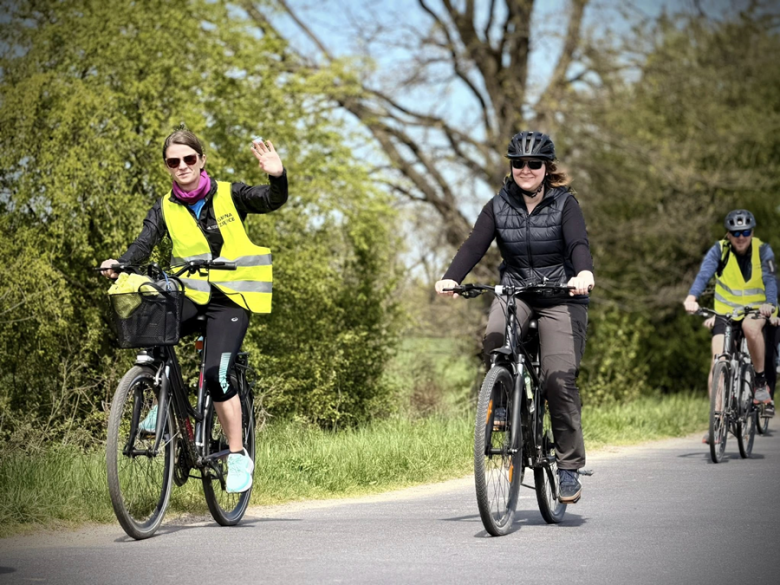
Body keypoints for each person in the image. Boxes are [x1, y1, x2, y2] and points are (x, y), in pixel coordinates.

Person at [101, 127, 287, 492]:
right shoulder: (165, 207)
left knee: (217, 375)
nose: (182, 166)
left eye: (189, 158)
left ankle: (237, 456)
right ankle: (161, 397)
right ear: (167, 166)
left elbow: (270, 200)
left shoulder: (231, 194)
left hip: (231, 297)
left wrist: (277, 176)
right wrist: (121, 263)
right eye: (174, 161)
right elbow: (144, 243)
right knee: (152, 328)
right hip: (191, 294)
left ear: (202, 160)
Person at [435, 131, 594, 504]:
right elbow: (474, 244)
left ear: (546, 168)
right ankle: (505, 404)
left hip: (561, 295)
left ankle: (568, 467)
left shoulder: (565, 203)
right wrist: (452, 277)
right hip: (516, 292)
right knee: (495, 337)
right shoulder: (498, 205)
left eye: (534, 163)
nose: (526, 169)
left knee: (558, 378)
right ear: (511, 167)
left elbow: (577, 243)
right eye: (518, 163)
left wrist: (583, 273)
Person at [683, 209, 776, 441]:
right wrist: (692, 297)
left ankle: (760, 383)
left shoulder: (763, 250)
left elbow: (770, 280)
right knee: (718, 362)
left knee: (750, 329)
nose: (740, 237)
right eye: (736, 233)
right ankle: (717, 421)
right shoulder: (719, 250)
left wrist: (770, 304)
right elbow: (704, 275)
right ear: (728, 234)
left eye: (745, 232)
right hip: (726, 313)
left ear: (752, 232)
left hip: (755, 311)